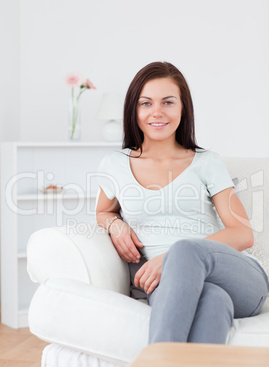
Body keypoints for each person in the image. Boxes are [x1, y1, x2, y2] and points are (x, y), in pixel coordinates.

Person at [96, 61, 269, 344]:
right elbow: (103, 211)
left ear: (182, 108)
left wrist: (173, 259)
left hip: (237, 278)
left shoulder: (206, 162)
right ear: (134, 110)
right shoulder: (115, 164)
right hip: (166, 286)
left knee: (185, 250)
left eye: (168, 102)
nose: (157, 112)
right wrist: (115, 224)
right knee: (213, 301)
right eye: (146, 103)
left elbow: (242, 233)